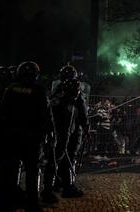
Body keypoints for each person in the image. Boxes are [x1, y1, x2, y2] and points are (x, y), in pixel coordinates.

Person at [0, 62, 51, 212]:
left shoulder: (11, 89)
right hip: (32, 139)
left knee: (12, 169)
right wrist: (46, 135)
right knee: (33, 171)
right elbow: (45, 116)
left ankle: (8, 201)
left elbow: (2, 113)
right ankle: (33, 204)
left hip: (11, 137)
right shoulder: (39, 90)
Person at [41, 65, 89, 204]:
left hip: (56, 129)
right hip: (68, 130)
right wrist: (86, 127)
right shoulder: (75, 89)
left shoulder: (56, 90)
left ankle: (57, 183)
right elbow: (82, 110)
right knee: (66, 157)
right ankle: (64, 187)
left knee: (56, 157)